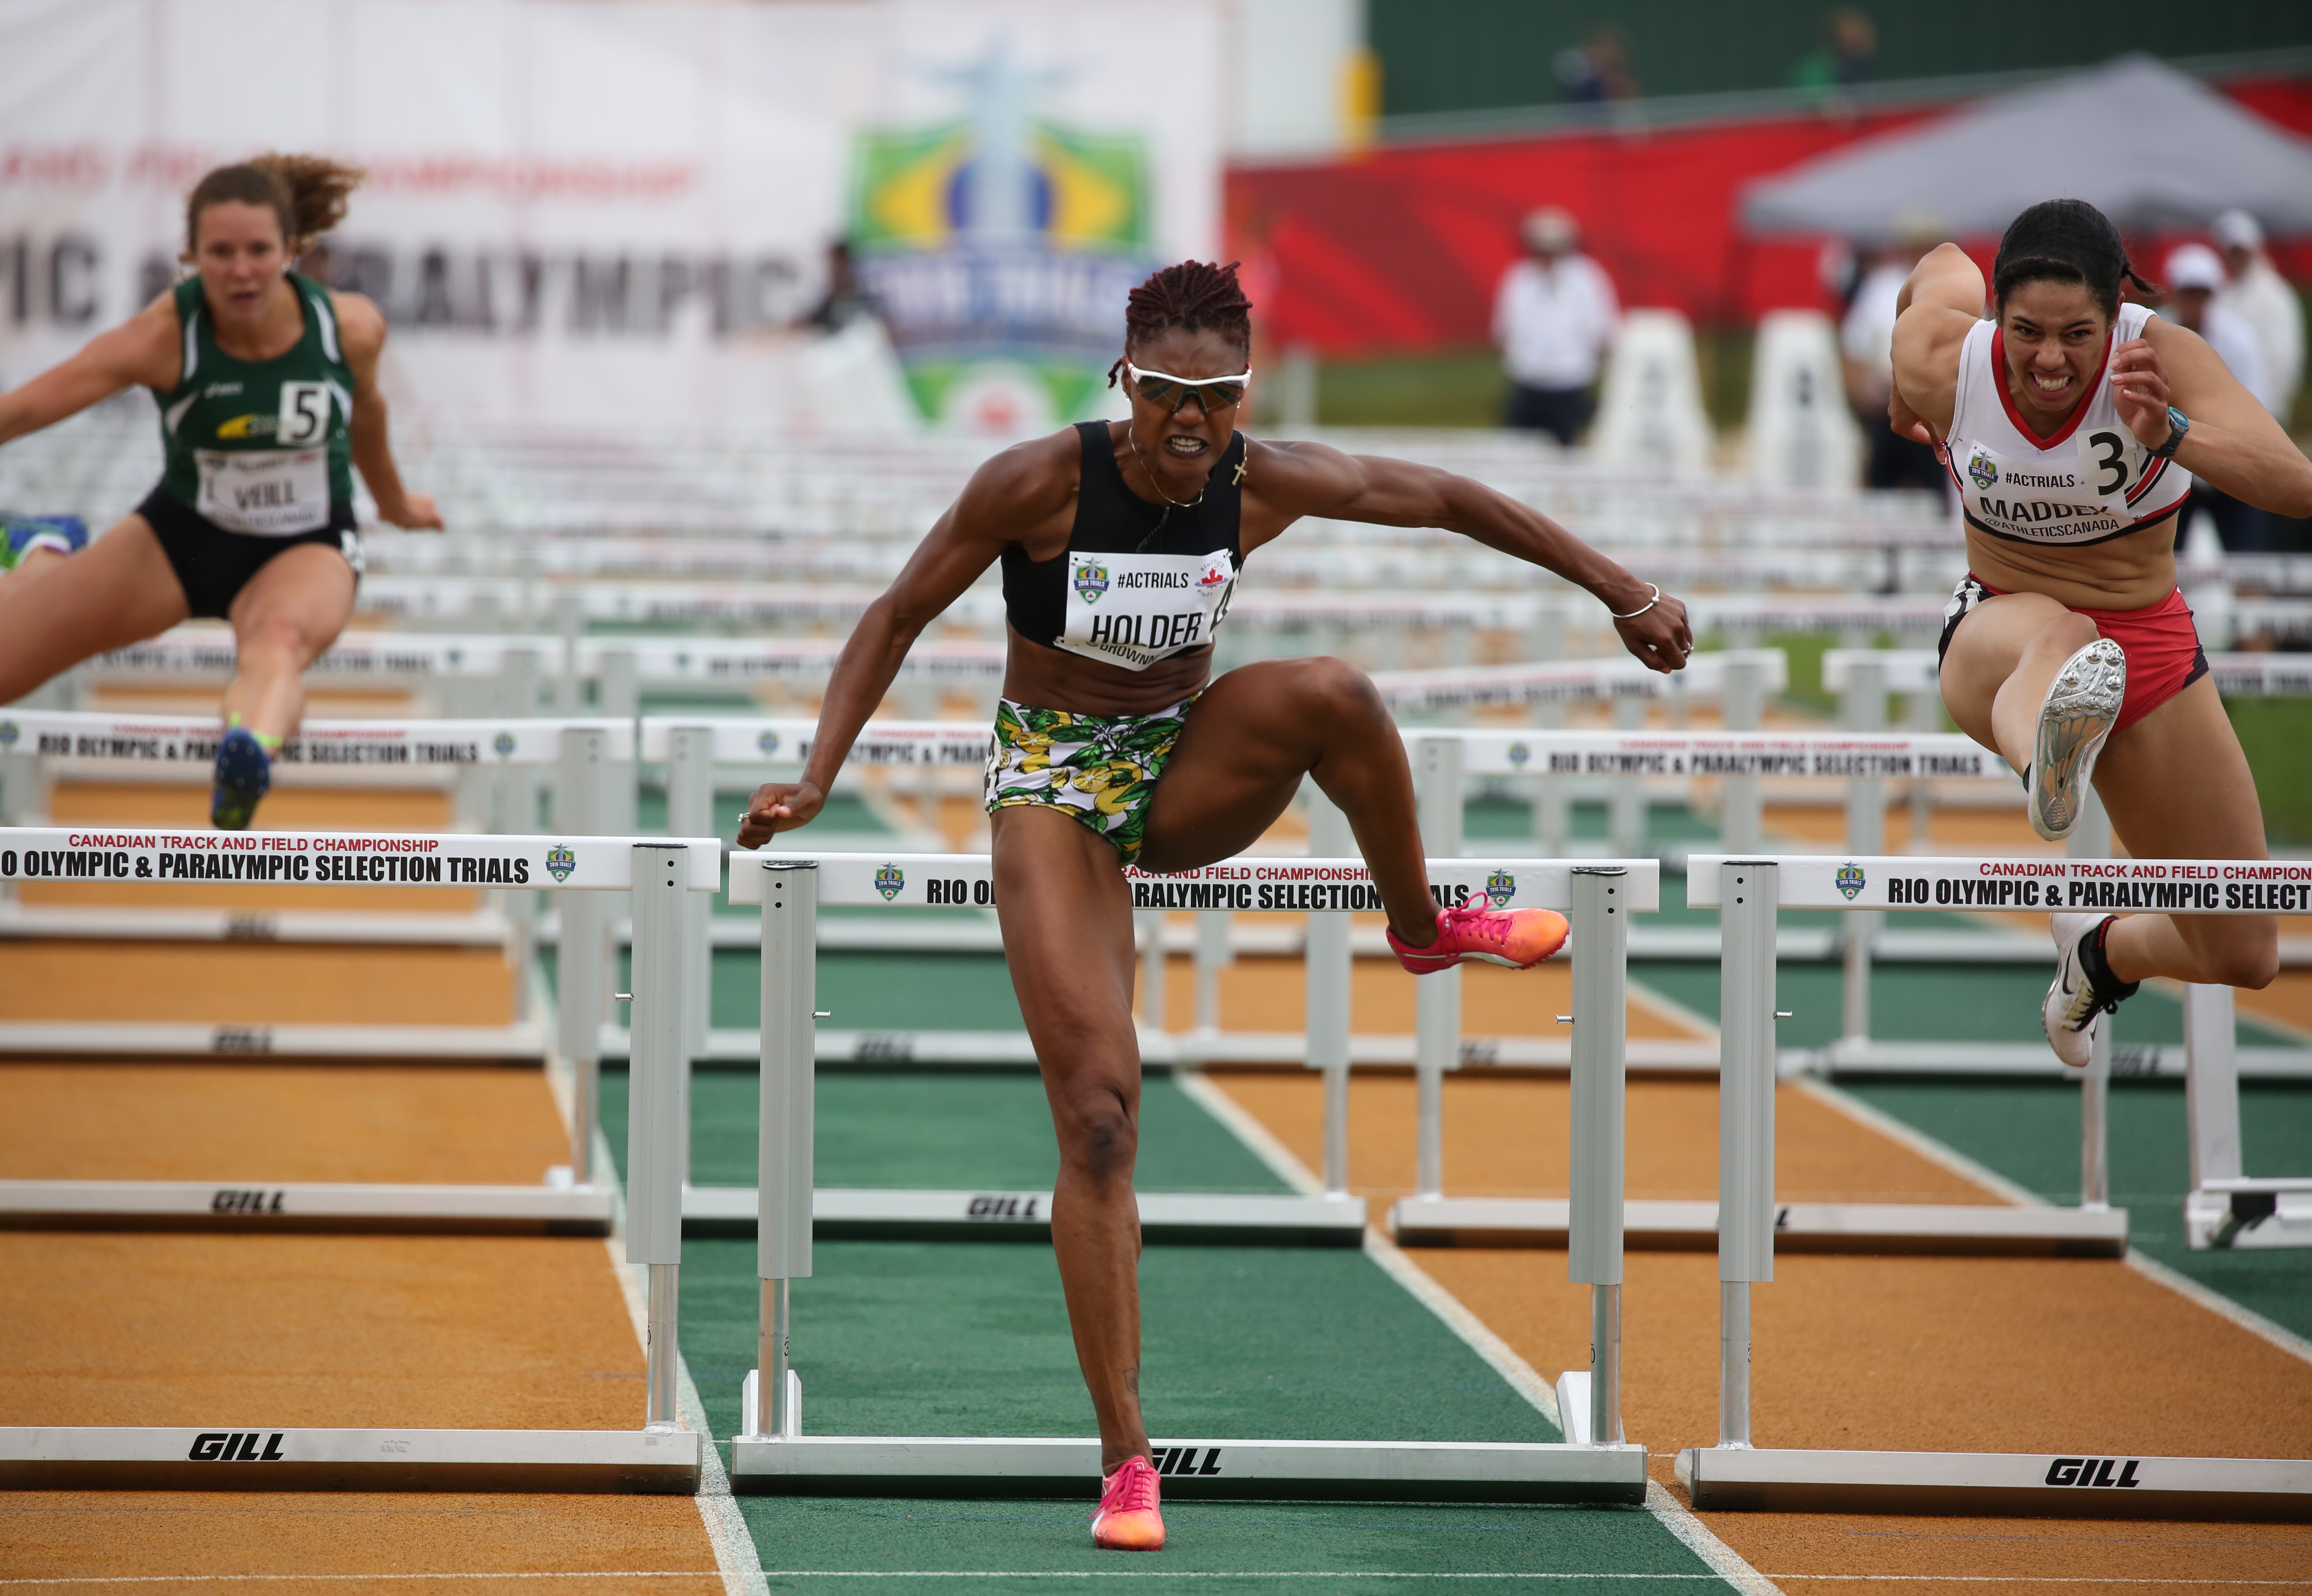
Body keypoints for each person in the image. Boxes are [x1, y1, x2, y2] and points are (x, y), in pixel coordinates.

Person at [736, 260, 1691, 1552]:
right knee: (1098, 1120)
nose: (1191, 425)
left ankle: (1420, 924)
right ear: (1126, 380)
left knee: (1336, 692)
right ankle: (1128, 1454)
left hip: (1185, 767)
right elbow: (897, 614)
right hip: (1055, 790)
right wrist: (815, 778)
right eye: (1169, 396)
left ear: (1247, 393)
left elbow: (1453, 499)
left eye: (1218, 399)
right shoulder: (1039, 483)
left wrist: (1620, 588)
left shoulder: (1261, 479)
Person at [1887, 200, 2312, 1069]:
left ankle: (2102, 951)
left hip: (2150, 643)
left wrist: (2174, 436)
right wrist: (1904, 400)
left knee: (2244, 952)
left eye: (2078, 334)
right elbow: (1934, 263)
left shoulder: (2164, 359)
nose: (2049, 360)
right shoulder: (1946, 357)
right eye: (2027, 332)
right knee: (2064, 635)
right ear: (1993, 316)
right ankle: (2047, 759)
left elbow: (2296, 485)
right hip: (1997, 629)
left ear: (2118, 315)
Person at [0, 155, 440, 829]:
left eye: (259, 251)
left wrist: (394, 502)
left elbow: (366, 414)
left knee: (277, 639)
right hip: (181, 536)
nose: (242, 271)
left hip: (306, 542)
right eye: (220, 253)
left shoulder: (351, 329)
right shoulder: (165, 338)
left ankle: (247, 754)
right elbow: (15, 413)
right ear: (190, 255)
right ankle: (45, 553)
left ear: (293, 250)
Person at [2161, 242, 2275, 555]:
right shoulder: (2152, 333)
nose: (2195, 302)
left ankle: (2253, 604)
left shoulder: (2240, 340)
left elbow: (2255, 411)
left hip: (2225, 466)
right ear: (2175, 291)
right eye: (2189, 292)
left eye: (2203, 293)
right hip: (2170, 466)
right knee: (2160, 565)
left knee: (2250, 567)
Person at [1491, 209, 1619, 448]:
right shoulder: (1519, 277)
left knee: (1566, 450)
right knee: (1518, 448)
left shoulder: (1587, 278)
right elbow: (1505, 327)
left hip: (1570, 380)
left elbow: (1601, 328)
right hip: (1527, 378)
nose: (1548, 254)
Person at [1839, 233, 1947, 499]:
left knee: (1934, 488)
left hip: (1935, 410)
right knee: (1882, 486)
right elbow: (1854, 344)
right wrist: (1859, 398)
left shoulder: (1957, 285)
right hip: (1885, 406)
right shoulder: (1882, 285)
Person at [2212, 209, 2304, 430]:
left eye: (2240, 251)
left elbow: (2283, 359)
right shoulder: (2226, 294)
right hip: (2230, 409)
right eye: (2231, 251)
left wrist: (2267, 409)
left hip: (2262, 411)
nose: (2235, 258)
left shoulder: (2275, 296)